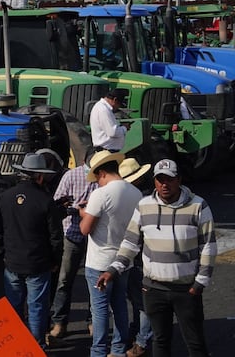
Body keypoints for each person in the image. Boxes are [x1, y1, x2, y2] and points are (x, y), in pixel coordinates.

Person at [97, 158, 216, 357]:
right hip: (153, 289)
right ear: (154, 182)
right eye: (159, 179)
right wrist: (112, 270)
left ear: (178, 179)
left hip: (186, 290)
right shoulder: (144, 206)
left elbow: (209, 246)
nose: (164, 184)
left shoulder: (198, 206)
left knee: (195, 343)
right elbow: (130, 244)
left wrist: (199, 284)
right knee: (160, 342)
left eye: (169, 179)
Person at [0, 153, 63, 348]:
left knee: (13, 307)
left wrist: (3, 254)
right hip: (38, 264)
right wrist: (55, 260)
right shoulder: (45, 200)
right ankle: (36, 346)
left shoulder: (4, 198)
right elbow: (55, 236)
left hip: (12, 262)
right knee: (37, 308)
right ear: (39, 176)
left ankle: (14, 344)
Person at [80, 150, 143, 357]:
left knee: (99, 310)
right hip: (124, 259)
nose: (97, 182)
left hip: (99, 261)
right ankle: (118, 348)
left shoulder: (101, 194)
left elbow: (85, 229)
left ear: (102, 173)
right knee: (120, 306)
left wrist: (83, 213)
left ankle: (98, 351)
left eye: (97, 178)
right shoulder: (136, 193)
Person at [48, 149, 98, 341]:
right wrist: (76, 209)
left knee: (95, 282)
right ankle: (60, 322)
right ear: (84, 160)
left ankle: (93, 322)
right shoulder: (71, 175)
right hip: (72, 234)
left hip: (95, 237)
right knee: (64, 281)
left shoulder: (104, 176)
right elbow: (56, 206)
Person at [117, 158, 154, 357]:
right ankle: (140, 332)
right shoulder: (144, 196)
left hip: (137, 254)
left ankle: (142, 339)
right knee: (138, 299)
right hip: (140, 253)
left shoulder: (138, 200)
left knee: (140, 300)